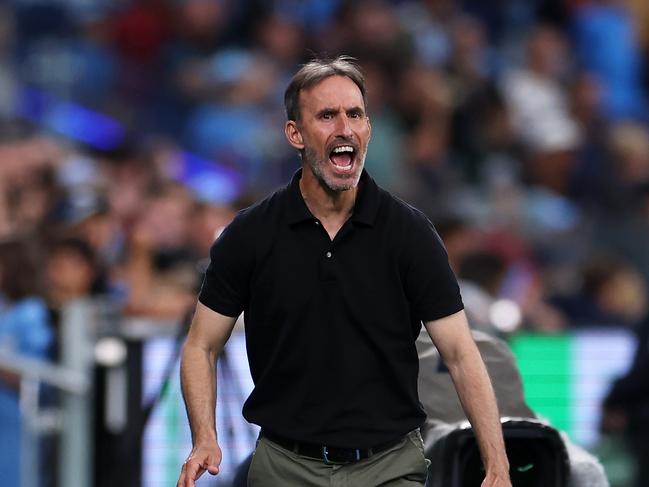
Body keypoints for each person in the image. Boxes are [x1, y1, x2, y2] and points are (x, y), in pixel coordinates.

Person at [176, 56, 511, 487]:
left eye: (355, 114)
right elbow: (201, 345)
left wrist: (497, 464)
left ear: (368, 129)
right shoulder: (252, 233)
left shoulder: (409, 232)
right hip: (284, 466)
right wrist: (204, 437)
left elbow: (462, 355)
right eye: (327, 115)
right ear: (295, 134)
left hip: (390, 466)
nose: (345, 128)